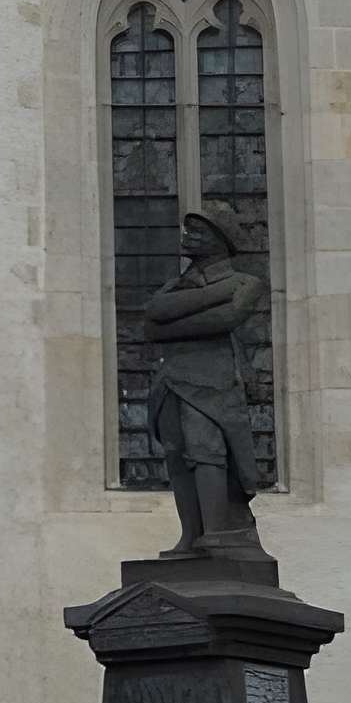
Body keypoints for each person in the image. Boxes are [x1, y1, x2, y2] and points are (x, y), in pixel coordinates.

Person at [141, 205, 270, 560]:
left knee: (206, 451)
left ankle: (216, 533)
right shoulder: (181, 284)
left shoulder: (247, 282)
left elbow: (226, 319)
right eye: (187, 231)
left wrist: (175, 319)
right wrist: (215, 294)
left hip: (212, 383)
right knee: (176, 457)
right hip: (172, 381)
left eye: (198, 233)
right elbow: (152, 322)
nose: (188, 238)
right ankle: (190, 535)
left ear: (220, 241)